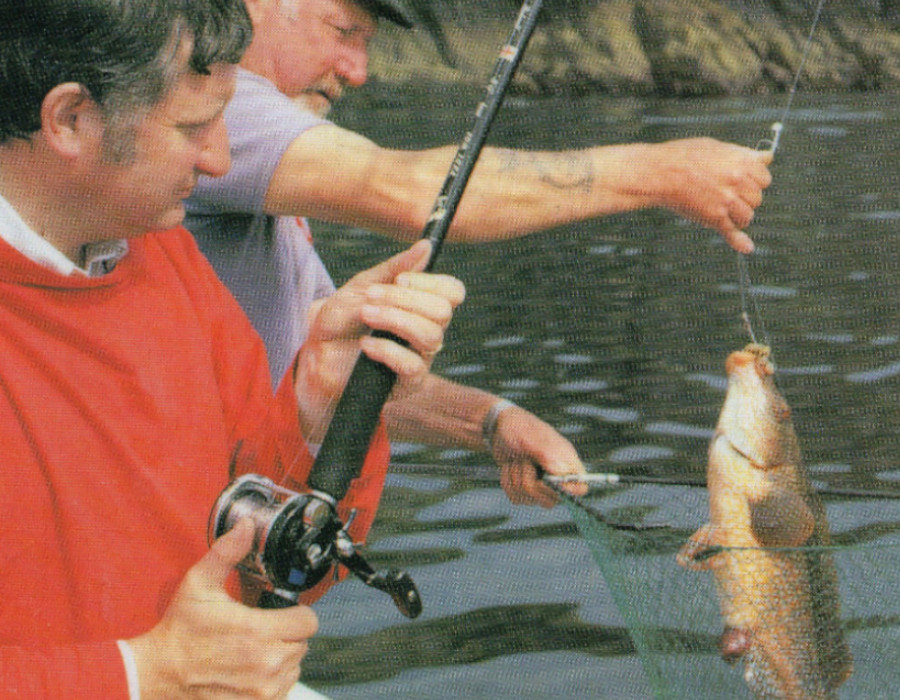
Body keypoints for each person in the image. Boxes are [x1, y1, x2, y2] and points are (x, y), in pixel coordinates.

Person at [0, 1, 466, 698]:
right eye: (192, 127)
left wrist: (327, 401)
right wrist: (141, 675)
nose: (219, 160)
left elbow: (277, 565)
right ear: (70, 119)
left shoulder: (169, 257)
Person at [184, 0, 772, 506]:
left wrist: (488, 422)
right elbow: (415, 193)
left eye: (368, 45)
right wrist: (662, 172)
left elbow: (319, 366)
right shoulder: (218, 108)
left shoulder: (265, 165)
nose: (357, 71)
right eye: (343, 33)